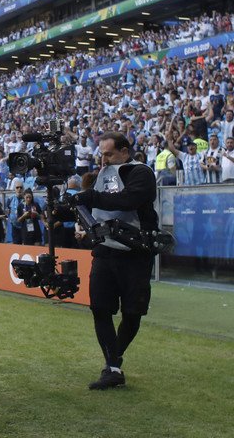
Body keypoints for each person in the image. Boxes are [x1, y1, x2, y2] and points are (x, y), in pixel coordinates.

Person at [71, 132, 159, 390]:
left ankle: (114, 360)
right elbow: (99, 213)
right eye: (102, 154)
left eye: (109, 154)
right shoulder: (100, 176)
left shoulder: (140, 172)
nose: (104, 159)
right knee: (100, 308)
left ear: (124, 151)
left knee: (133, 312)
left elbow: (129, 199)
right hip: (105, 251)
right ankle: (112, 367)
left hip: (134, 253)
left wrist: (89, 197)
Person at [7, 180, 25, 244]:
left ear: (23, 189)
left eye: (21, 187)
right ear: (14, 189)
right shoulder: (10, 199)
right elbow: (8, 211)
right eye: (17, 187)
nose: (19, 189)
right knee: (16, 244)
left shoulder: (27, 199)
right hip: (14, 227)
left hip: (24, 226)